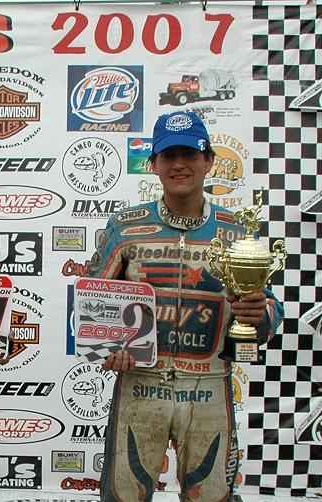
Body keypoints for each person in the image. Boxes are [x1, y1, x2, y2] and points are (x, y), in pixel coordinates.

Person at [88, 111, 284, 501]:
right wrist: (110, 349)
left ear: (209, 160)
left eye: (190, 154)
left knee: (211, 497)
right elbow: (93, 301)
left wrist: (259, 315)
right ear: (154, 164)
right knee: (123, 496)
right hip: (141, 384)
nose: (180, 164)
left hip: (209, 384)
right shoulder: (125, 226)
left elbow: (270, 310)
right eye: (169, 155)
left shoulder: (239, 231)